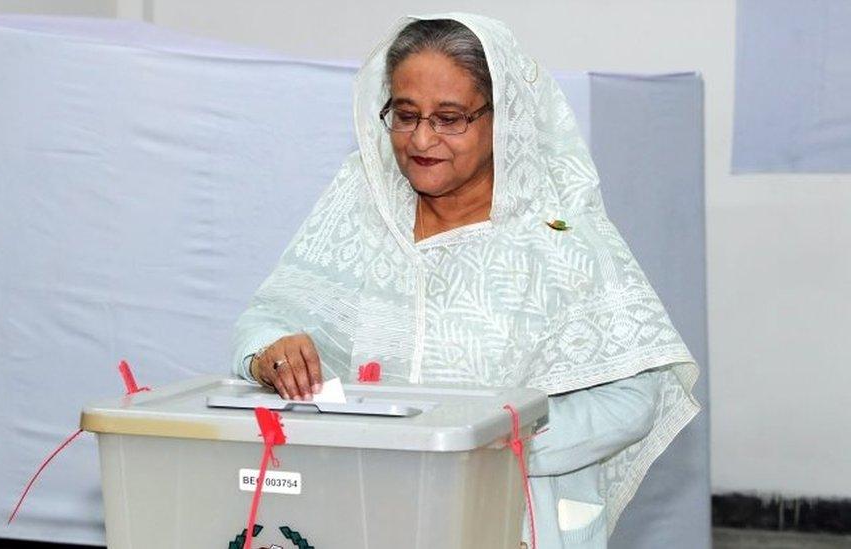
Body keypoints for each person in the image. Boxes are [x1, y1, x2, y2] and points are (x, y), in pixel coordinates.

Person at [232, 13, 701, 548]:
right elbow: (266, 319)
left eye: (450, 118)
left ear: (503, 120)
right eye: (405, 115)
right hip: (362, 510)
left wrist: (490, 444)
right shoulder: (362, 206)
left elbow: (632, 396)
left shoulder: (554, 234)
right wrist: (270, 353)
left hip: (507, 518)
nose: (422, 138)